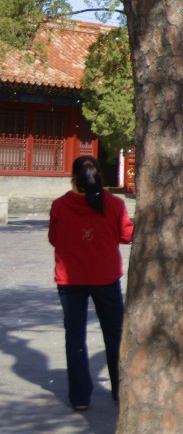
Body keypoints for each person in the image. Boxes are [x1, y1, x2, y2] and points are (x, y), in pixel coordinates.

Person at [48, 155, 133, 411]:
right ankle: (121, 390)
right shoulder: (115, 204)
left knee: (75, 337)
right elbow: (126, 235)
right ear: (100, 178)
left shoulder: (60, 206)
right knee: (115, 334)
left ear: (73, 177)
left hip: (70, 280)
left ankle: (80, 396)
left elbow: (54, 238)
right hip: (105, 278)